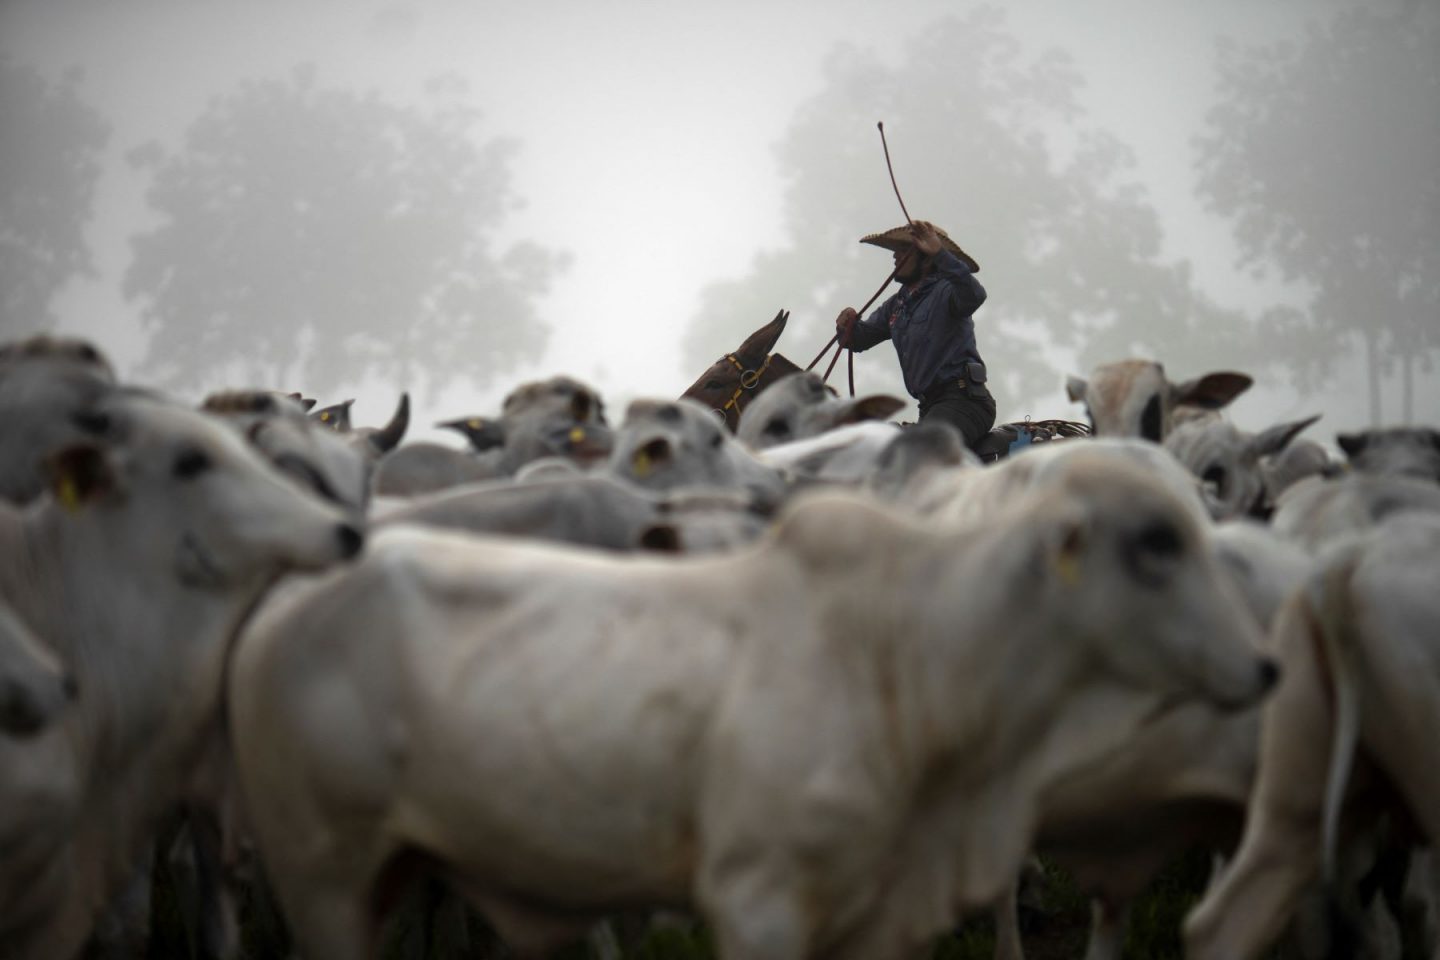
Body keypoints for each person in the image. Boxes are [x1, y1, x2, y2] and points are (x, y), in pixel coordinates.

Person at [835, 219, 999, 453]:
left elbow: (974, 294)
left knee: (918, 456)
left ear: (927, 258)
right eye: (895, 252)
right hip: (931, 409)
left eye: (903, 251)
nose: (894, 258)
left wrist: (940, 254)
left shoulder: (947, 290)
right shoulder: (897, 304)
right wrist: (847, 326)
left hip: (964, 402)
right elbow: (858, 340)